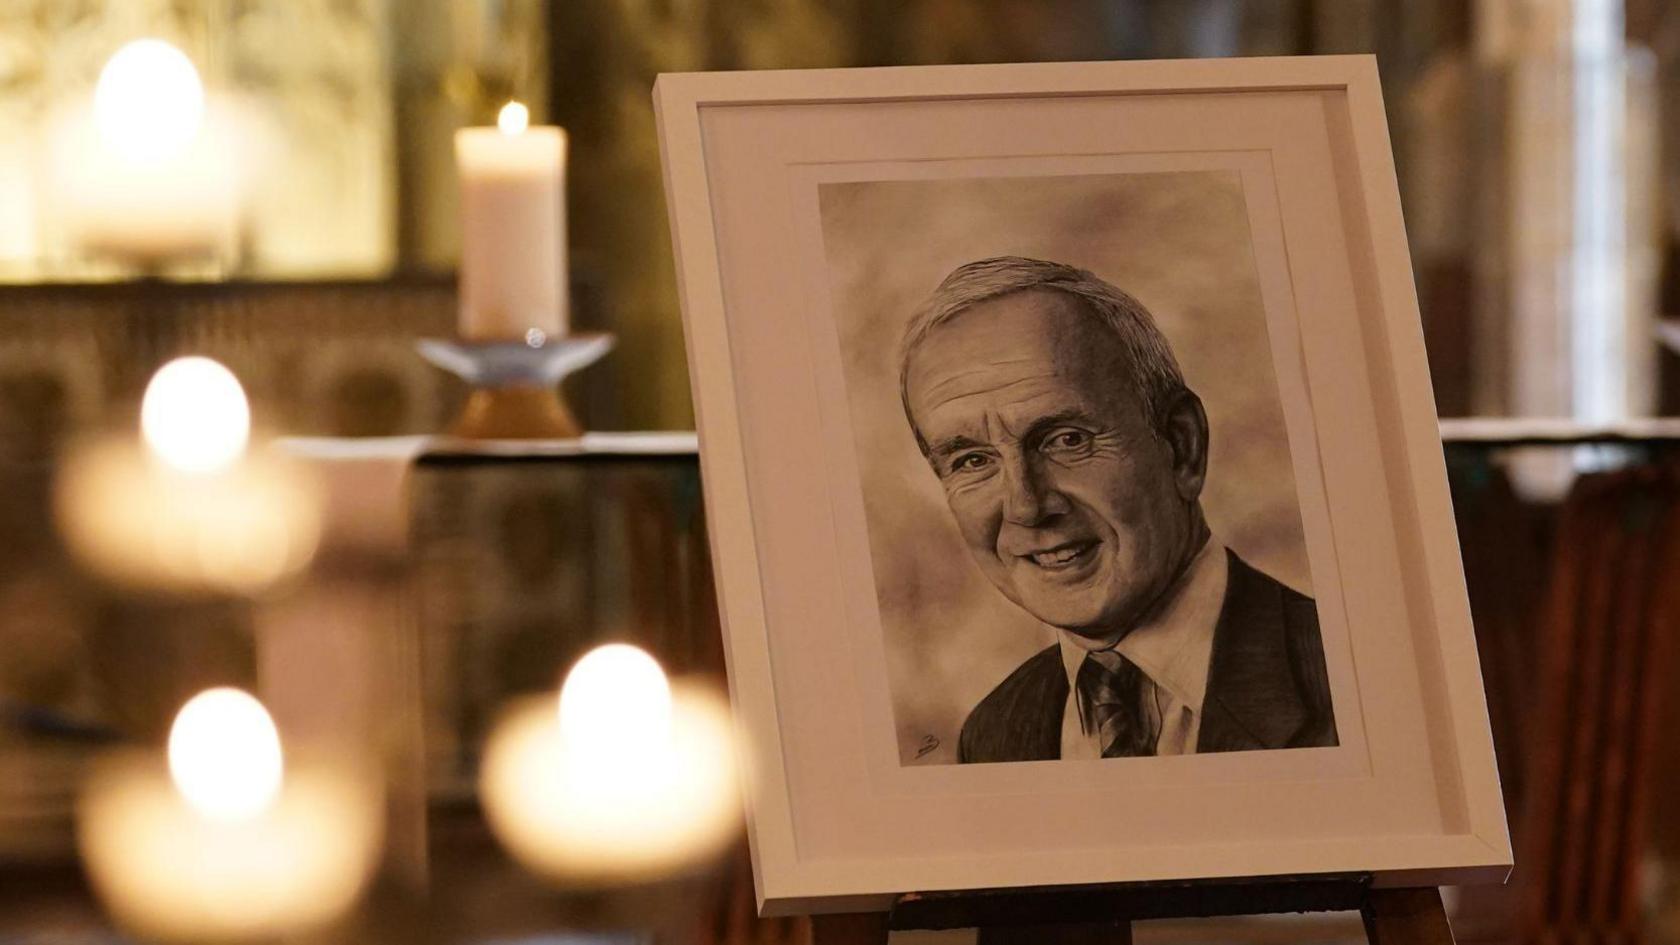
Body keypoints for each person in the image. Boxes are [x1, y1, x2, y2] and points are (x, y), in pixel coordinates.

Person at [898, 256, 1337, 763]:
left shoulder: (1354, 681)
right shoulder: (995, 731)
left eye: (1066, 439)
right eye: (973, 460)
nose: (1026, 506)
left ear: (1181, 445)